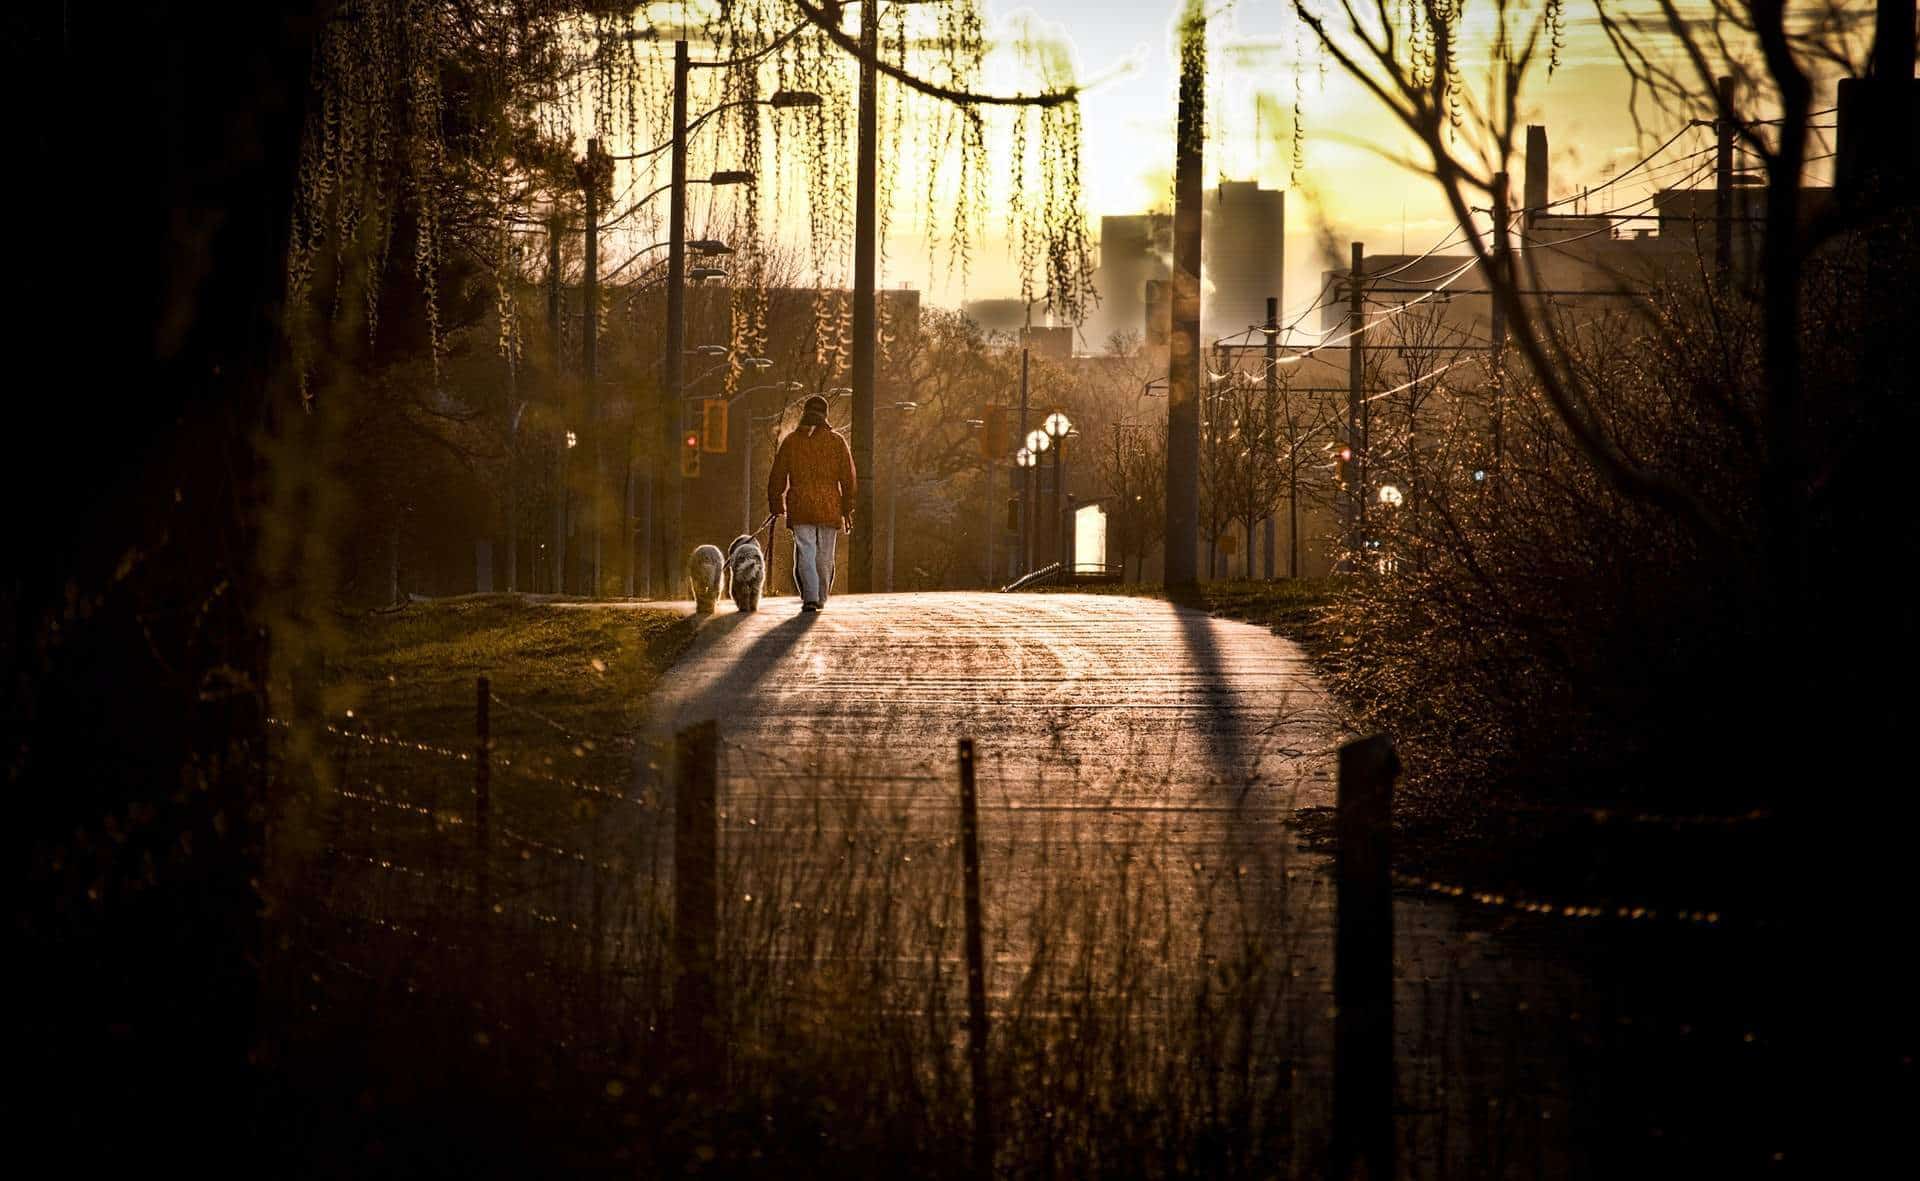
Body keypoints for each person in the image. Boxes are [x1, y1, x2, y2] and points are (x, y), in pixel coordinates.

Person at [765, 394, 856, 611]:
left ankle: (811, 597)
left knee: (806, 551)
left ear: (805, 414)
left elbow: (777, 475)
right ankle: (821, 596)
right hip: (829, 505)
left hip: (800, 505)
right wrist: (847, 506)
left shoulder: (791, 441)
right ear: (825, 415)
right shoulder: (836, 441)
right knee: (825, 554)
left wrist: (776, 502)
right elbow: (848, 476)